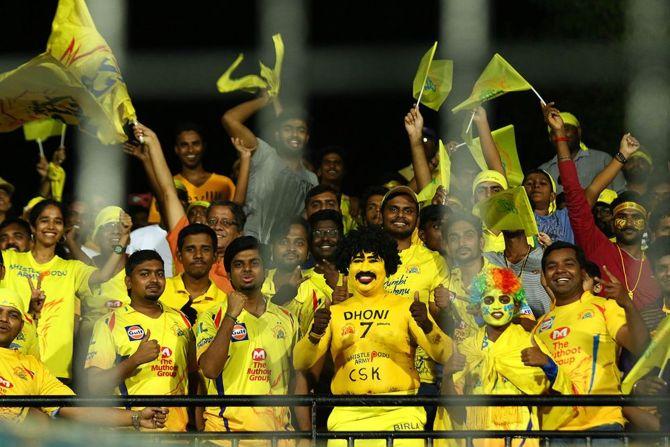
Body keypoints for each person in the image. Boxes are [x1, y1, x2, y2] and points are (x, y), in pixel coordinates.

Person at [293, 227, 452, 446]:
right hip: (347, 418)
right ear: (347, 267)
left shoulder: (407, 308)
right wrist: (314, 334)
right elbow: (300, 362)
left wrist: (426, 325)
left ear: (387, 265)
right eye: (358, 260)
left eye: (373, 260)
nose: (365, 267)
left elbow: (445, 354)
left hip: (401, 415)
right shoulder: (333, 312)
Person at [436, 267, 571, 447]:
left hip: (519, 439)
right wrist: (447, 375)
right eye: (489, 300)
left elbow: (557, 398)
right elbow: (456, 412)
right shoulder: (467, 348)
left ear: (516, 305)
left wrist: (547, 365)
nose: (497, 306)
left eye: (504, 299)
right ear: (478, 305)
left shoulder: (529, 342)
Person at [546, 103, 662, 310]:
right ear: (612, 222)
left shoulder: (659, 260)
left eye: (636, 217)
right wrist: (560, 137)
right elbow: (574, 194)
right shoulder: (597, 247)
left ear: (646, 223)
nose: (628, 222)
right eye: (621, 216)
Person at [0, 200, 131, 382]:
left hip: (56, 368)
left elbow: (103, 275)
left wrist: (123, 239)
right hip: (10, 363)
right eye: (44, 220)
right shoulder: (9, 260)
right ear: (32, 226)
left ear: (63, 229)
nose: (51, 226)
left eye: (58, 222)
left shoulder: (73, 269)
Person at [0, 287, 168, 428]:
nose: (4, 319)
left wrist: (137, 417)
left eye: (13, 315)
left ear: (22, 326)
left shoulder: (32, 367)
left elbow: (78, 409)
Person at [533, 241, 650, 443]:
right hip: (553, 431)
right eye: (551, 266)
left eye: (568, 264)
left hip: (602, 425)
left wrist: (628, 304)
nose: (560, 270)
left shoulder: (604, 307)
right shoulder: (539, 326)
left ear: (582, 271)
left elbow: (639, 346)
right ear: (544, 276)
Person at [195, 236, 307, 435]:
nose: (247, 269)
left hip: (278, 436)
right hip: (226, 436)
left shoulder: (287, 318)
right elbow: (210, 370)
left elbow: (297, 379)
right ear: (228, 274)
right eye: (239, 265)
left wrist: (306, 434)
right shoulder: (211, 317)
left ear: (265, 271)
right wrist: (231, 316)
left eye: (254, 263)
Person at [85, 250, 196, 432]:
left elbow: (193, 376)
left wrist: (196, 426)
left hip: (178, 436)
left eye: (159, 273)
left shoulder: (181, 319)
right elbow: (94, 385)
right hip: (131, 435)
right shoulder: (109, 323)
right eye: (145, 274)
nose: (154, 280)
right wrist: (134, 360)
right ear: (128, 281)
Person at [127, 123, 244, 293]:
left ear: (239, 232)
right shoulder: (187, 251)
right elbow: (168, 192)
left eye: (226, 222)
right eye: (212, 221)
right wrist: (153, 142)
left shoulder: (243, 269)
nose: (218, 226)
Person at [380, 185, 449, 413]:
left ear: (416, 220)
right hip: (373, 369)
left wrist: (432, 311)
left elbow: (440, 316)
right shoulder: (364, 257)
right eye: (394, 209)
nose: (401, 215)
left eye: (408, 211)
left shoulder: (434, 261)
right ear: (382, 216)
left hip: (422, 374)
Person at [221, 93, 318, 243]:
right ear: (277, 135)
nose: (294, 134)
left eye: (301, 130)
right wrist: (265, 100)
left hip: (283, 254)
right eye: (288, 129)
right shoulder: (263, 153)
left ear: (307, 138)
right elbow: (230, 119)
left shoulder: (312, 180)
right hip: (250, 247)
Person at [437, 213, 535, 344]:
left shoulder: (503, 278)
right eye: (454, 238)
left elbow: (530, 325)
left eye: (468, 236)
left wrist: (491, 315)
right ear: (447, 247)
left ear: (481, 242)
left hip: (501, 357)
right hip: (465, 360)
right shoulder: (445, 280)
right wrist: (445, 311)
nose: (461, 243)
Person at [147, 124, 236, 223]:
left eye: (195, 144)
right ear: (176, 149)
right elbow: (155, 224)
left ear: (203, 146)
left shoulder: (224, 183)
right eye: (184, 145)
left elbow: (236, 216)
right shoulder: (169, 185)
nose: (190, 150)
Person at [276, 210, 345, 336]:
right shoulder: (258, 277)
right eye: (284, 242)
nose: (325, 238)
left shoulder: (320, 290)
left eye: (299, 243)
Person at [538, 111, 625, 194]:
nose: (562, 135)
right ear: (550, 138)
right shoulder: (544, 171)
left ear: (578, 132)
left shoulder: (602, 160)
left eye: (566, 129)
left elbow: (621, 193)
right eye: (555, 131)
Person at [160, 223, 227, 323]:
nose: (198, 255)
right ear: (179, 256)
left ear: (215, 256)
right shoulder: (159, 290)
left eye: (205, 249)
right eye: (190, 249)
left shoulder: (224, 303)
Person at [261, 217, 310, 302]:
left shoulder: (317, 290)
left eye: (299, 243)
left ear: (309, 251)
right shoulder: (257, 281)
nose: (291, 248)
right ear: (272, 248)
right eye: (283, 242)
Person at [315, 145, 357, 233]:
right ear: (319, 170)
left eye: (337, 163)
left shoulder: (350, 204)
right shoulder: (310, 199)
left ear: (344, 171)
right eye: (327, 162)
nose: (332, 166)